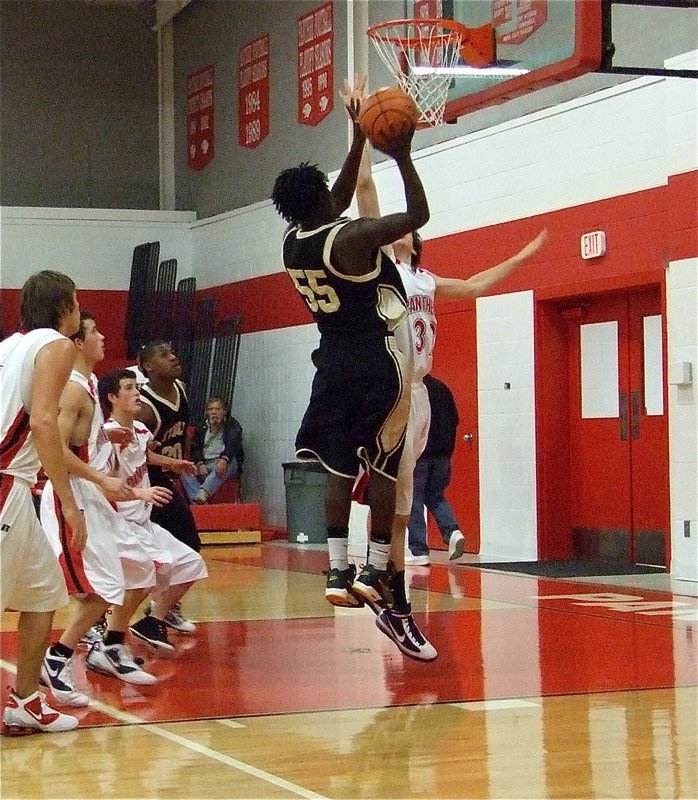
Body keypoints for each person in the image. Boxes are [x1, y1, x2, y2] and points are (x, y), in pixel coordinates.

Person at [347, 76, 548, 656]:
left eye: (411, 227)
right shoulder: (381, 265)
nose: (404, 227)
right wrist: (359, 122)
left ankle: (393, 602)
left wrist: (524, 256)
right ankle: (366, 571)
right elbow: (363, 184)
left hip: (421, 395)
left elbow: (480, 284)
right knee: (386, 490)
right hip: (389, 387)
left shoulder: (428, 279)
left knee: (406, 501)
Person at [270, 78, 430, 622]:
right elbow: (417, 217)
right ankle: (374, 567)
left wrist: (361, 133)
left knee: (338, 471)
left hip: (331, 362)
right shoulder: (354, 238)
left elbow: (334, 197)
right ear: (317, 200)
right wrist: (402, 156)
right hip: (377, 361)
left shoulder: (294, 243)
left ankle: (337, 568)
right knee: (384, 469)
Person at [40, 311, 160, 698]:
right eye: (94, 331)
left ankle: (108, 646)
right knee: (103, 590)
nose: (103, 335)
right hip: (72, 492)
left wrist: (109, 464)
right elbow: (54, 449)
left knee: (139, 569)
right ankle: (56, 659)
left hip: (93, 494)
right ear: (77, 342)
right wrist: (100, 479)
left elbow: (85, 443)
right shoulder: (73, 388)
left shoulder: (90, 383)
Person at [0, 270, 86, 734]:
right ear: (66, 306)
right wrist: (69, 504)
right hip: (5, 484)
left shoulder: (8, 347)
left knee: (43, 595)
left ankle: (26, 702)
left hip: (15, 485)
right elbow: (43, 425)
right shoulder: (57, 345)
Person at [98, 369, 208, 652]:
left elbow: (145, 457)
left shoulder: (139, 430)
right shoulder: (108, 436)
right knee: (153, 570)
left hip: (144, 522)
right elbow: (102, 485)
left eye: (137, 387)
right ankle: (109, 631)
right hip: (121, 523)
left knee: (191, 563)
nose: (137, 393)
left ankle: (152, 622)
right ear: (112, 397)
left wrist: (174, 464)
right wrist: (139, 492)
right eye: (129, 388)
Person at [136, 340, 199, 633]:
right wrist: (172, 464)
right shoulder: (144, 408)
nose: (174, 357)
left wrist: (182, 461)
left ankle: (164, 608)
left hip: (167, 480)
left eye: (173, 352)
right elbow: (134, 454)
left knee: (188, 548)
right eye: (164, 355)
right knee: (160, 555)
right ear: (148, 367)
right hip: (144, 485)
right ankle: (154, 612)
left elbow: (183, 432)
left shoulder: (182, 390)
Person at [407, 374, 463, 564]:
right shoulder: (442, 388)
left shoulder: (414, 390)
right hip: (443, 455)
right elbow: (455, 420)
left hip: (421, 455)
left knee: (413, 501)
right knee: (436, 496)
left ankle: (419, 550)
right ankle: (452, 531)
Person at [181, 396, 244, 504]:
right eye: (211, 409)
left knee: (229, 463)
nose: (214, 412)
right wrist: (200, 464)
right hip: (205, 463)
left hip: (224, 462)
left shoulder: (232, 425)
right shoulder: (202, 426)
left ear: (224, 412)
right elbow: (195, 448)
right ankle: (198, 500)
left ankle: (203, 493)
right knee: (184, 470)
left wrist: (224, 459)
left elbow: (233, 443)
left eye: (217, 409)